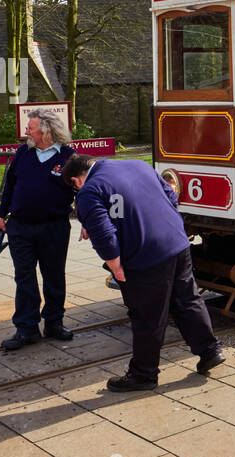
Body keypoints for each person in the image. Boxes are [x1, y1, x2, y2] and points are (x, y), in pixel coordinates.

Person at [62, 153, 223, 392]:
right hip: (177, 243)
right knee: (187, 300)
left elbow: (104, 234)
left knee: (146, 316)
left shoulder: (89, 191)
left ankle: (143, 374)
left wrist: (115, 266)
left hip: (145, 257)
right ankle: (210, 351)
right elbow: (170, 195)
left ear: (76, 181)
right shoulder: (138, 165)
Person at [0, 108, 78, 351]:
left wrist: (89, 223)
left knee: (54, 275)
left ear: (47, 130)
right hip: (20, 226)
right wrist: (0, 216)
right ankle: (26, 328)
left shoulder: (69, 156)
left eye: (31, 127)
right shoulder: (23, 153)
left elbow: (82, 190)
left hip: (54, 227)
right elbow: (9, 186)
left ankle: (54, 322)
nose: (26, 130)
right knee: (24, 277)